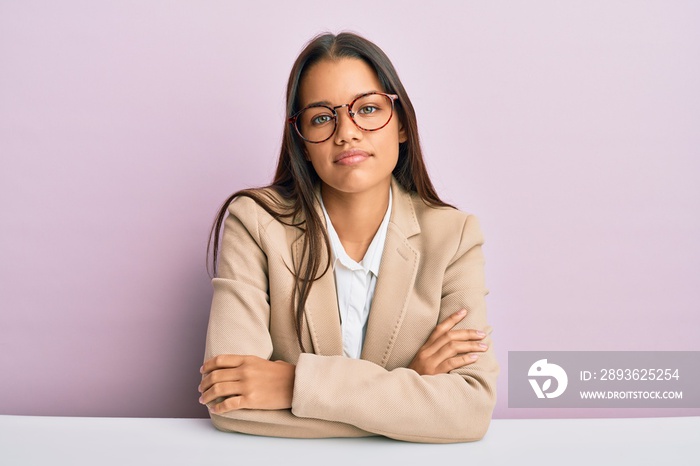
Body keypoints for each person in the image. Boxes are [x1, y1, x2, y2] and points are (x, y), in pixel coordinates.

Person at [198, 32, 499, 444]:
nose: (347, 132)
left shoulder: (454, 236)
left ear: (402, 127)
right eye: (322, 117)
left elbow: (470, 411)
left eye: (368, 109)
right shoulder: (255, 223)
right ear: (302, 143)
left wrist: (292, 385)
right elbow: (230, 401)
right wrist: (409, 390)